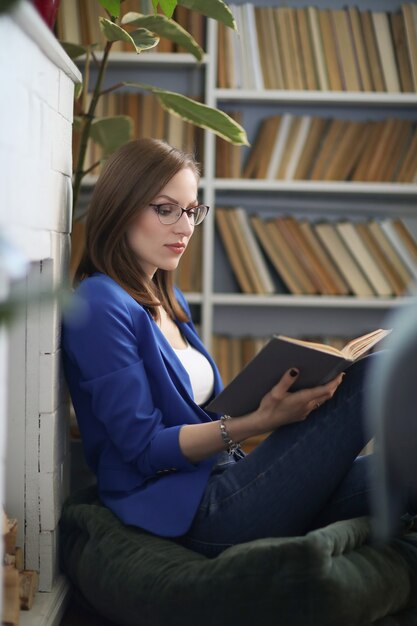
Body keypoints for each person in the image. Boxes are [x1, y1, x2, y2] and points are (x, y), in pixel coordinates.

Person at [62, 138, 415, 558]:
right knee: (378, 371)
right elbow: (142, 448)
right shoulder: (98, 305)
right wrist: (260, 421)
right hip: (198, 513)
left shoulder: (168, 300)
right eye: (165, 209)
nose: (185, 227)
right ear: (120, 207)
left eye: (192, 211)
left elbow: (204, 412)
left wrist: (274, 401)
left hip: (233, 474)